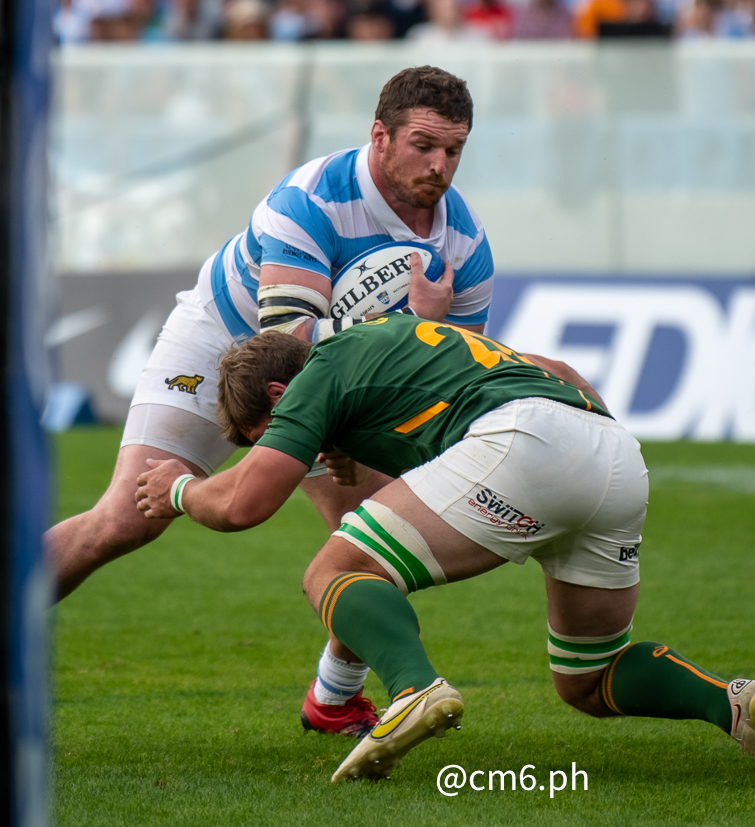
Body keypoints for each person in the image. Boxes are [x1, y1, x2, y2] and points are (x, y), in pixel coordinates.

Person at [135, 319, 755, 783]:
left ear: (283, 395)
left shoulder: (319, 374)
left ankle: (412, 690)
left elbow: (245, 503)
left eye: (269, 432)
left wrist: (177, 489)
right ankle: (736, 705)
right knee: (588, 677)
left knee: (335, 569)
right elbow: (557, 369)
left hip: (523, 442)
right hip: (609, 450)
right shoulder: (389, 342)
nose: (283, 445)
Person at [47, 66, 495, 739]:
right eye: (424, 145)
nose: (440, 166)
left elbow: (445, 378)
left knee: (381, 541)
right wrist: (351, 414)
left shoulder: (465, 244)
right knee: (125, 518)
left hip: (334, 383)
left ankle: (334, 698)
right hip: (222, 348)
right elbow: (284, 348)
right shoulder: (313, 197)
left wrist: (382, 404)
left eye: (454, 150)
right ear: (380, 136)